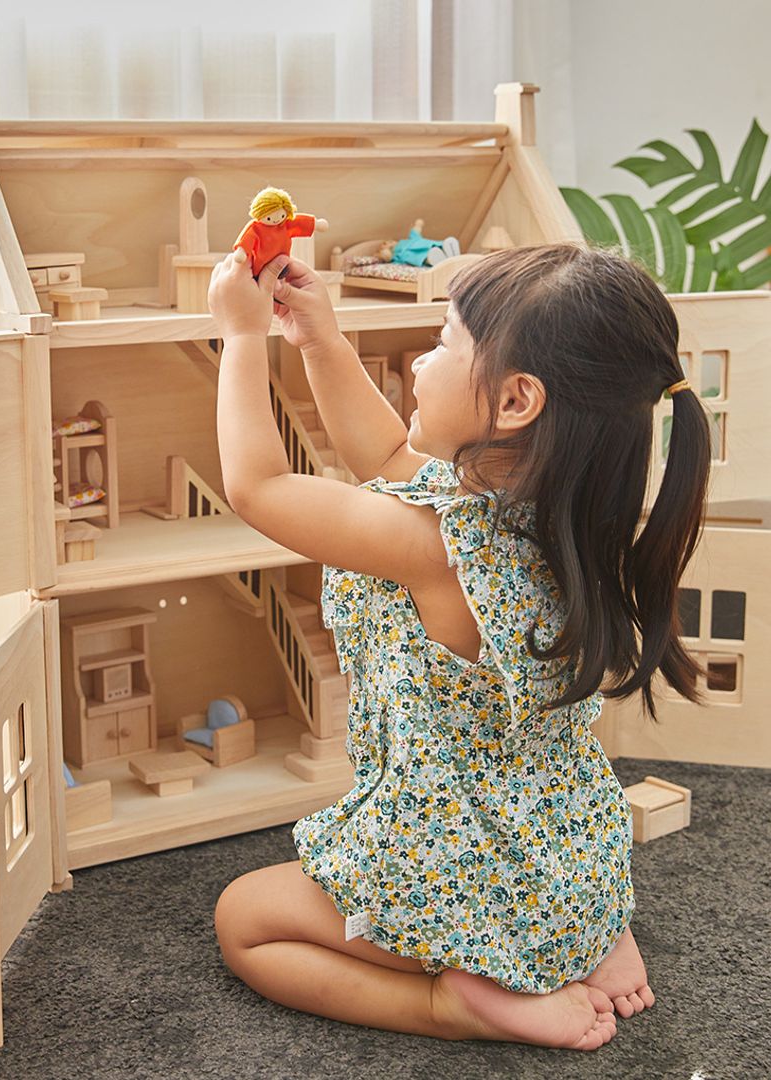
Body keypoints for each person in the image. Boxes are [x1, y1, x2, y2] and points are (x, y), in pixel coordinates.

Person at [206, 242, 710, 1051]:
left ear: (516, 401)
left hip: (472, 873)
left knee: (246, 921)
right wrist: (319, 341)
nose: (418, 364)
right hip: (573, 859)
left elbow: (259, 488)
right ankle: (591, 939)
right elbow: (384, 461)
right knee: (534, 832)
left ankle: (456, 1002)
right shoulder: (560, 517)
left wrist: (239, 336)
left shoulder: (440, 550)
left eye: (443, 342)